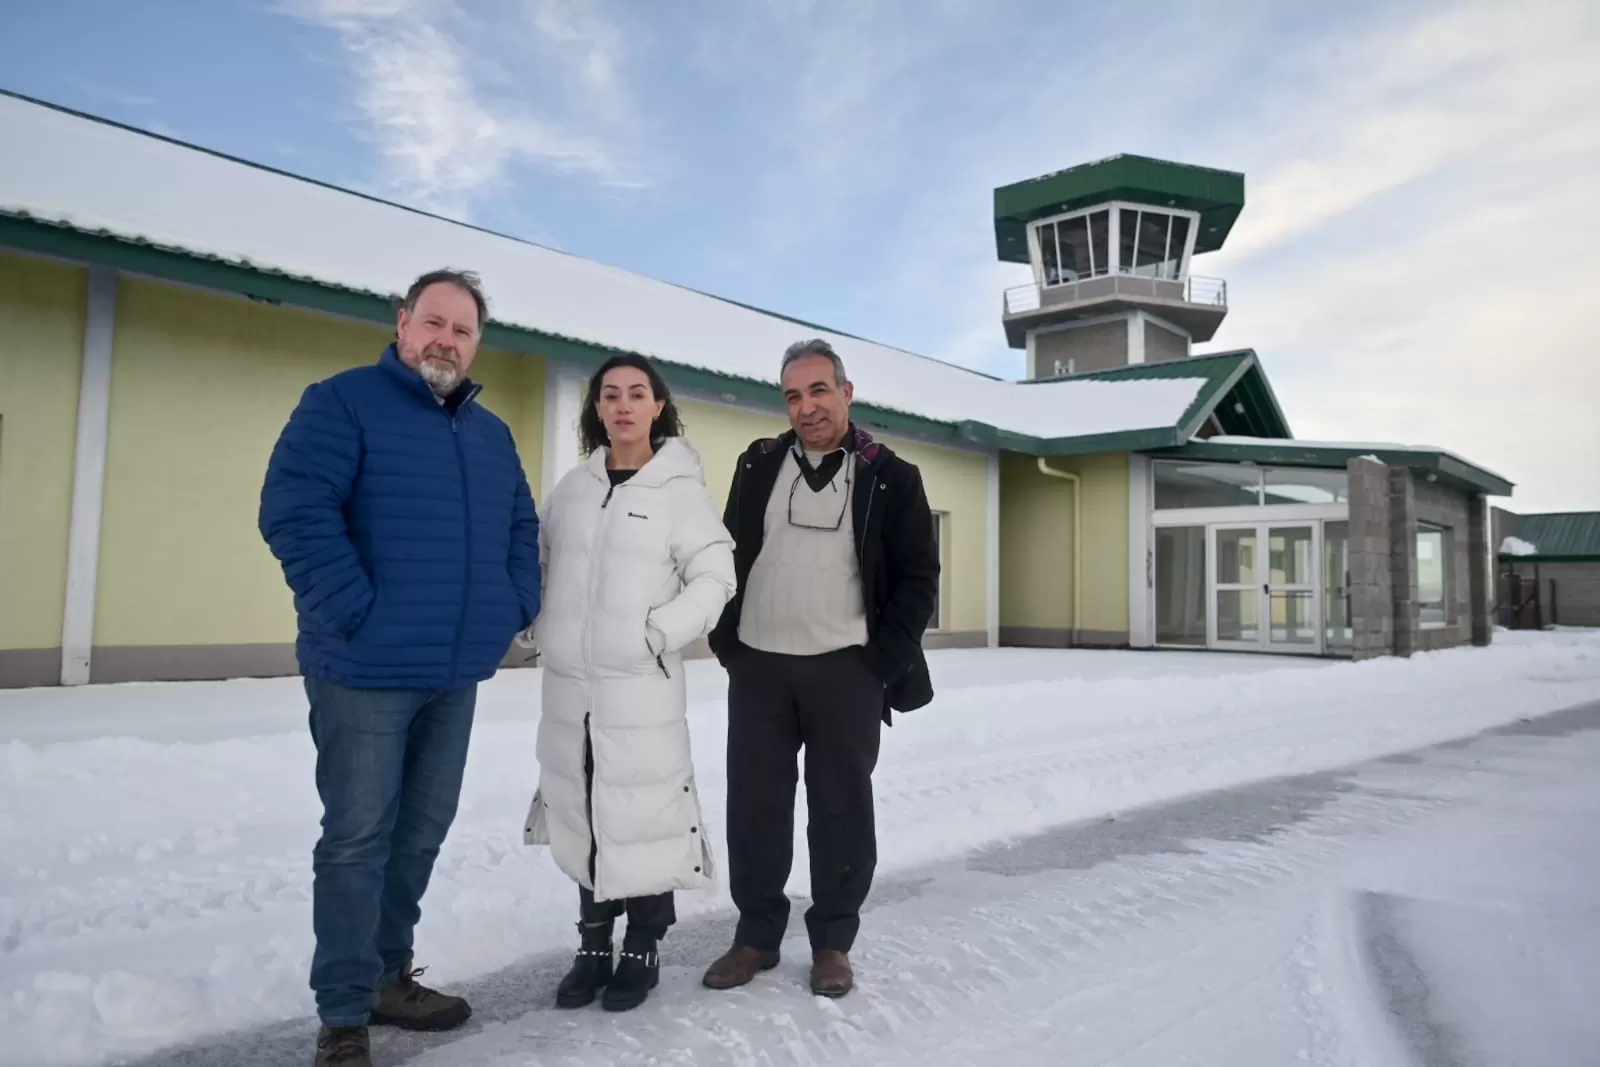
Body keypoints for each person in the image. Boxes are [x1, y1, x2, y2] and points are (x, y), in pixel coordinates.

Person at [258, 269, 540, 1067]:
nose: (446, 340)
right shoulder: (341, 402)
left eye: (463, 329)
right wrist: (358, 611)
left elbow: (520, 525)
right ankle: (344, 1012)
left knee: (418, 832)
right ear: (402, 322)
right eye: (434, 322)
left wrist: (510, 605)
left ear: (476, 343)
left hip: (453, 673)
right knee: (357, 837)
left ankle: (388, 975)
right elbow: (294, 510)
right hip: (362, 667)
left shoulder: (489, 432)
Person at [703, 338, 940, 999]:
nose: (806, 407)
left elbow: (920, 577)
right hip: (760, 667)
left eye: (818, 390)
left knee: (840, 806)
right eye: (792, 395)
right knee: (755, 805)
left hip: (845, 670)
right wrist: (730, 642)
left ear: (847, 391)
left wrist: (880, 662)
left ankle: (833, 939)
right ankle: (755, 934)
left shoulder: (891, 475)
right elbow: (728, 552)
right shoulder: (758, 463)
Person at [523, 353, 736, 1013]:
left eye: (636, 394)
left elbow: (716, 578)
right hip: (568, 692)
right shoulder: (572, 489)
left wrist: (655, 633)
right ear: (595, 409)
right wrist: (541, 627)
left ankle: (643, 940)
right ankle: (592, 939)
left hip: (641, 690)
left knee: (642, 813)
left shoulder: (679, 490)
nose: (622, 405)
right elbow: (540, 564)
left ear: (657, 406)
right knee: (582, 807)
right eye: (609, 394)